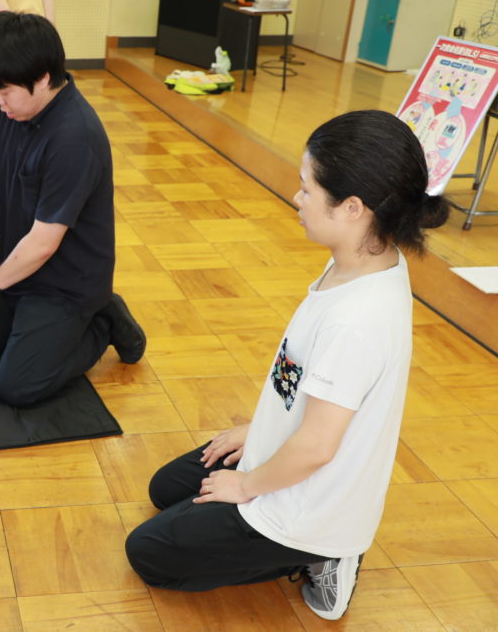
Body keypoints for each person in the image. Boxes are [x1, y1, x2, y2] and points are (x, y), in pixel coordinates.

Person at [124, 110, 450, 621]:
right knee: (166, 488)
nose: (297, 198)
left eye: (307, 188)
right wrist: (258, 430)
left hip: (307, 507)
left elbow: (318, 447)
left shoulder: (358, 320)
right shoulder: (359, 256)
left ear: (352, 208)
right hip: (289, 451)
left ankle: (322, 554)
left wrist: (245, 486)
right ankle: (271, 513)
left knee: (148, 553)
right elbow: (305, 386)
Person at [0, 12, 146, 406]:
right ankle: (35, 323)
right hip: (18, 267)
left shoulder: (75, 136)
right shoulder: (8, 113)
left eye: (4, 91)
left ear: (41, 78)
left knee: (17, 387)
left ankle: (104, 321)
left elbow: (43, 243)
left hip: (68, 283)